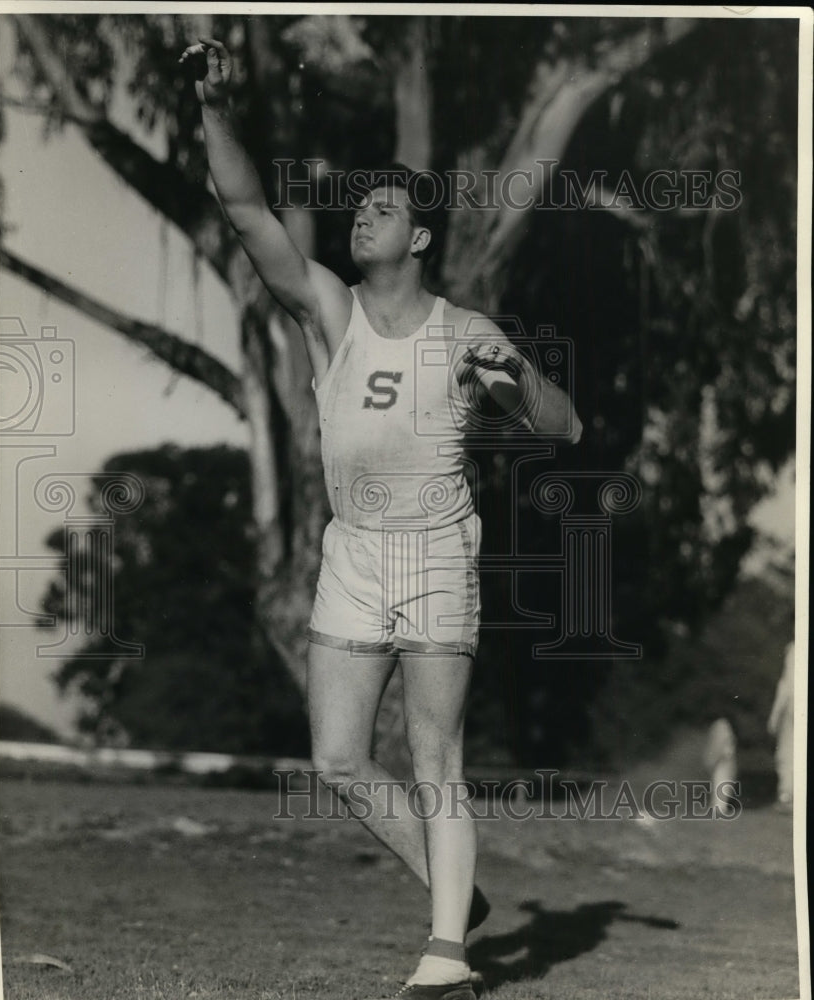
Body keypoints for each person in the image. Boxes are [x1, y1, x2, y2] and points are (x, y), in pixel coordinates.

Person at [180, 38, 582, 1000]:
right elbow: (242, 209)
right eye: (360, 206)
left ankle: (446, 958)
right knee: (337, 758)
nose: (363, 216)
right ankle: (455, 890)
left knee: (436, 754)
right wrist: (214, 109)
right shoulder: (327, 308)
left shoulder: (466, 332)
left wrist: (515, 382)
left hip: (438, 553)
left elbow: (565, 427)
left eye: (384, 209)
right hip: (351, 555)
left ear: (421, 238)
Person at [767, 640, 794, 811]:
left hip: (793, 707)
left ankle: (787, 794)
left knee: (787, 751)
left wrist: (774, 716)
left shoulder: (793, 650)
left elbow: (786, 685)